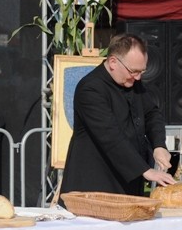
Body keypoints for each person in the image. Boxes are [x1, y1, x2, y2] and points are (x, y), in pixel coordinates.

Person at [59, 33, 175, 199]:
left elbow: (152, 113)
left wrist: (159, 145)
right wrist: (145, 170)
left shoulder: (133, 82)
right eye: (133, 71)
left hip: (127, 183)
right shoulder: (90, 89)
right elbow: (110, 136)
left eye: (142, 71)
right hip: (94, 186)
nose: (138, 77)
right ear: (113, 62)